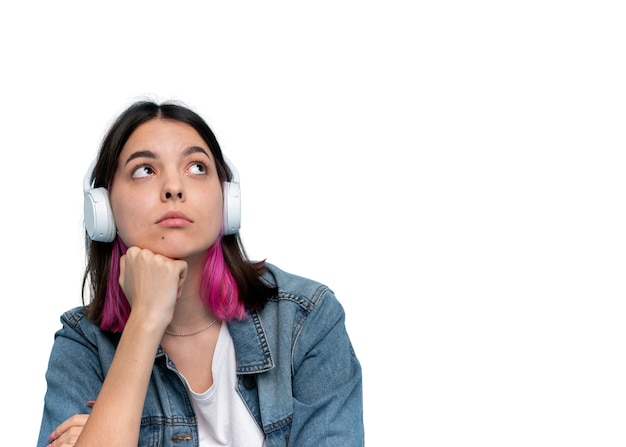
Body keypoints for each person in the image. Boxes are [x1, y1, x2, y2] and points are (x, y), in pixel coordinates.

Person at [36, 99, 364, 447]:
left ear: (227, 199)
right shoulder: (82, 345)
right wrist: (145, 319)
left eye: (196, 167)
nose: (173, 188)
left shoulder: (306, 320)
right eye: (144, 170)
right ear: (102, 210)